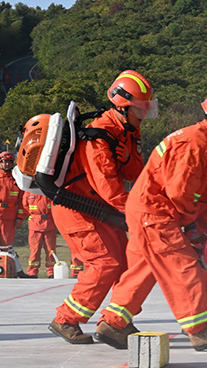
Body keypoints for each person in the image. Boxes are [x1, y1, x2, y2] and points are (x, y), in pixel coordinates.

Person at [97, 86, 207, 350]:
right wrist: (191, 225)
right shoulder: (193, 145)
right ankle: (198, 330)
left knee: (142, 271)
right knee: (183, 266)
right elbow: (179, 193)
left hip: (148, 211)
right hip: (156, 213)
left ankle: (113, 324)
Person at [48, 70, 156, 345]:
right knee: (104, 263)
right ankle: (65, 319)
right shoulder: (99, 136)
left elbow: (135, 173)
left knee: (126, 262)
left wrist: (129, 154)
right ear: (122, 106)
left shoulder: (127, 131)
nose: (143, 114)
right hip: (78, 209)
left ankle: (116, 320)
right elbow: (108, 187)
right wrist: (136, 212)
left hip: (101, 210)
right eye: (140, 109)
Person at [25, 192, 57, 278]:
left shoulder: (47, 189)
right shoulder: (28, 192)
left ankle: (51, 272)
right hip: (34, 224)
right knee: (34, 251)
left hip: (49, 224)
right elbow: (25, 206)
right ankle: (32, 272)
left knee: (51, 251)